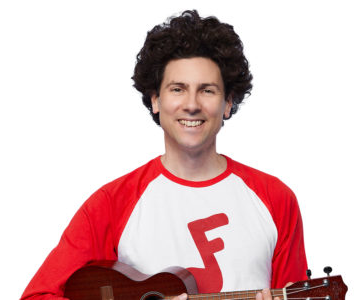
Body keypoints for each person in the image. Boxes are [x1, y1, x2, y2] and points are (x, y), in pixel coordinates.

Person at [21, 10, 307, 300]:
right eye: (177, 89)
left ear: (228, 103)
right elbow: (37, 296)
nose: (192, 105)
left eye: (207, 90)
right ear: (156, 100)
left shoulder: (275, 200)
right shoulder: (112, 204)